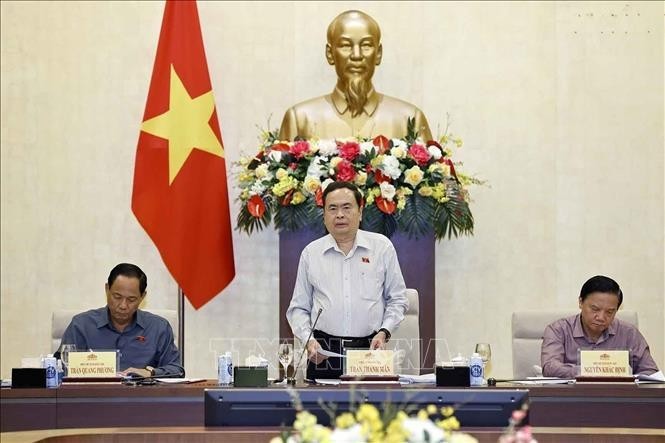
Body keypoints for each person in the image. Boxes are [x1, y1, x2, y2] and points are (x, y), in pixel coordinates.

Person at [286, 181, 409, 379]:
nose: (340, 215)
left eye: (346, 207)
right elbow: (298, 309)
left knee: (370, 409)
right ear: (324, 215)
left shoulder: (381, 247)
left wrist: (384, 332)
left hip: (369, 352)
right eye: (332, 209)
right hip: (323, 355)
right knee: (320, 409)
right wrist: (308, 340)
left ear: (360, 212)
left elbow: (398, 299)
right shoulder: (311, 253)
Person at [279, 10, 433, 141]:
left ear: (378, 53)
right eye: (345, 45)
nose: (357, 55)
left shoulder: (409, 119)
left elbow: (436, 174)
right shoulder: (299, 119)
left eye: (366, 45)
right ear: (330, 54)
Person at [59, 263, 184, 377]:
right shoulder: (81, 325)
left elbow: (177, 371)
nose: (123, 305)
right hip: (94, 399)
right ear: (107, 289)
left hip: (141, 399)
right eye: (117, 297)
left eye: (131, 299)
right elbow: (61, 367)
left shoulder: (158, 328)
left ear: (142, 297)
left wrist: (149, 372)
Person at [541, 275, 658, 378]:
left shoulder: (629, 333)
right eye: (595, 309)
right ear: (581, 302)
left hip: (617, 398)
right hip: (572, 399)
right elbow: (550, 367)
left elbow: (650, 372)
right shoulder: (558, 330)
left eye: (609, 312)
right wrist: (591, 370)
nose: (601, 317)